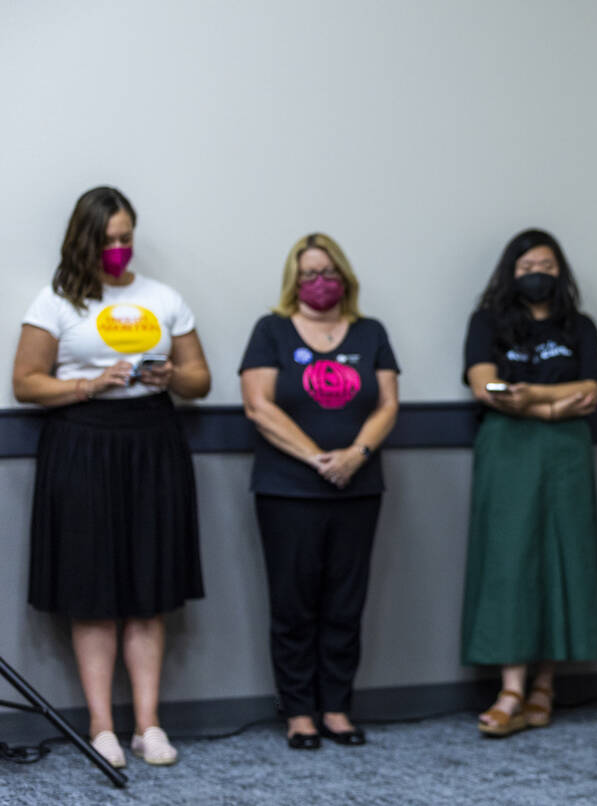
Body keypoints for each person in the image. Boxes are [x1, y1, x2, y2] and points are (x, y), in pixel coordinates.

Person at [13, 186, 211, 768]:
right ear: (86, 240)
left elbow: (200, 380)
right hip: (82, 443)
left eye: (127, 238)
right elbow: (25, 383)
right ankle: (101, 727)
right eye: (109, 240)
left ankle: (148, 726)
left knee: (148, 592)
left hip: (152, 441)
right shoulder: (56, 301)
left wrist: (171, 376)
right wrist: (86, 384)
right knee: (93, 590)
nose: (119, 249)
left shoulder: (163, 297)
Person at [239, 233, 399, 750]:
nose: (320, 282)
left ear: (345, 277)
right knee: (294, 605)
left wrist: (356, 456)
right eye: (309, 274)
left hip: (358, 489)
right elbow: (259, 406)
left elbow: (388, 405)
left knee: (345, 605)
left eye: (328, 272)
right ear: (294, 281)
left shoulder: (370, 332)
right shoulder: (271, 331)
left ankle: (336, 707)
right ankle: (299, 713)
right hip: (288, 491)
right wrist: (316, 457)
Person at [461, 228, 597, 737]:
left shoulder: (580, 326)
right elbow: (486, 387)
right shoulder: (487, 322)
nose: (537, 274)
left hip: (566, 452)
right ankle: (510, 689)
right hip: (506, 450)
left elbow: (592, 389)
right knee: (509, 561)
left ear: (560, 271)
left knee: (561, 557)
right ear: (510, 272)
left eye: (546, 265)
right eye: (527, 267)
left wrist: (529, 400)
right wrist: (551, 404)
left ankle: (545, 686)